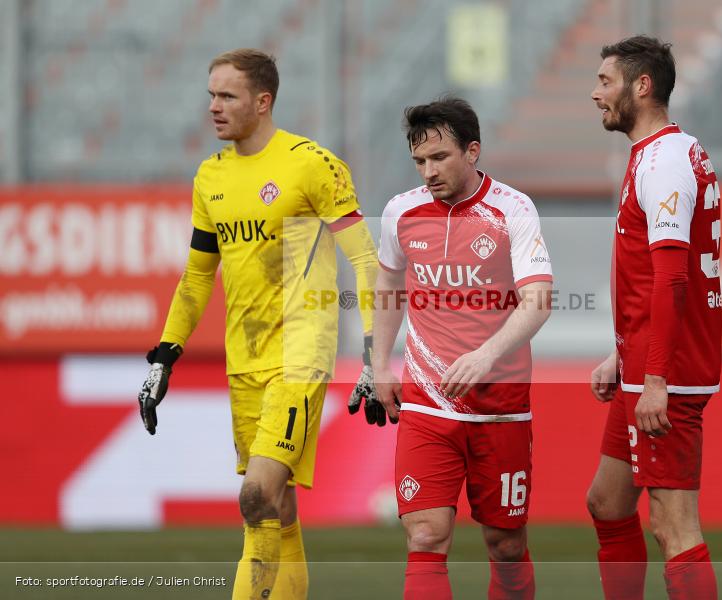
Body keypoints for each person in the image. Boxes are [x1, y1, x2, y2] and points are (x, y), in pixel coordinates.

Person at [136, 48, 379, 600]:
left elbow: (365, 259)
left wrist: (372, 351)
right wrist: (164, 356)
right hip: (243, 359)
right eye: (211, 96)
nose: (214, 108)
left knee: (255, 495)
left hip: (301, 354)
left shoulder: (312, 165)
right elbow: (197, 277)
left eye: (227, 96)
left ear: (262, 101)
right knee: (273, 509)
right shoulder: (211, 177)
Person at [368, 96, 553, 599]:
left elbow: (538, 300)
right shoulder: (400, 213)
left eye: (439, 158)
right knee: (425, 536)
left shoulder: (512, 210)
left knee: (506, 543)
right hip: (429, 404)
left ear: (472, 152)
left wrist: (486, 355)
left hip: (501, 409)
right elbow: (389, 287)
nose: (428, 171)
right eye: (420, 162)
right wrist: (378, 362)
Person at [587, 36, 722, 599]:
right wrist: (623, 352)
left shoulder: (665, 160)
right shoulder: (663, 152)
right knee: (608, 502)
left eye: (605, 82)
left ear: (642, 87)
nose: (595, 94)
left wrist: (658, 379)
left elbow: (672, 278)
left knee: (673, 525)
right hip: (642, 361)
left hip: (665, 374)